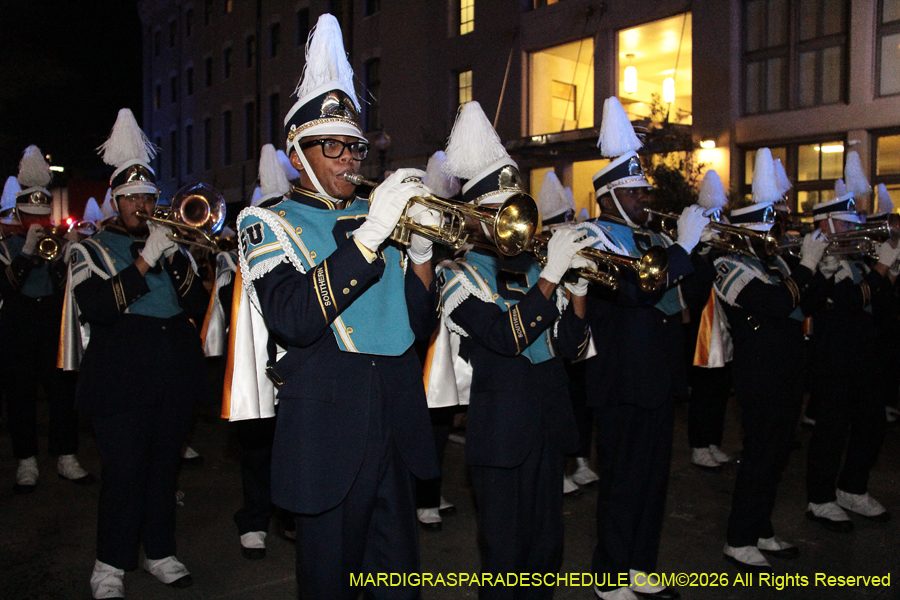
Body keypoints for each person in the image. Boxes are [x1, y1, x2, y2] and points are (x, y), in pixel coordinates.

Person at [230, 14, 438, 599]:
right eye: (334, 147)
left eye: (355, 146)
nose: (351, 158)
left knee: (398, 587)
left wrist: (420, 252)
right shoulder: (266, 220)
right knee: (328, 587)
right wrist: (370, 238)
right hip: (326, 434)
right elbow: (294, 319)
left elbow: (412, 327)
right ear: (299, 152)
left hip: (395, 422)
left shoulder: (379, 213)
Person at [436, 101, 588, 599]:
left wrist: (579, 291)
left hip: (547, 421)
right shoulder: (456, 274)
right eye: (502, 214)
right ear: (478, 217)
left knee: (546, 548)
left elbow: (571, 346)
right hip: (500, 431)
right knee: (503, 558)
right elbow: (504, 337)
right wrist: (550, 280)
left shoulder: (538, 267)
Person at [68, 108, 209, 599]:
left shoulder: (174, 246)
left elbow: (196, 304)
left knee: (163, 468)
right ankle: (110, 564)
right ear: (116, 200)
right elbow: (99, 308)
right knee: (124, 473)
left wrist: (172, 255)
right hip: (120, 374)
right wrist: (147, 256)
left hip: (172, 370)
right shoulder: (91, 248)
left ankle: (161, 551)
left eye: (148, 197)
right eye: (131, 199)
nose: (142, 206)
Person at [584, 97, 707, 600]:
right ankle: (608, 574)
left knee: (654, 481)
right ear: (609, 195)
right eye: (633, 192)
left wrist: (693, 251)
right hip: (619, 382)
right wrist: (679, 251)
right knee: (620, 482)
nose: (642, 199)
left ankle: (639, 564)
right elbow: (635, 293)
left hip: (655, 378)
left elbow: (687, 297)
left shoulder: (649, 239)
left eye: (641, 191)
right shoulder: (596, 238)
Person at [713, 148, 828, 570]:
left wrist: (815, 269)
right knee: (759, 456)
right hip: (758, 374)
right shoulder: (729, 264)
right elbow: (775, 303)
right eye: (766, 228)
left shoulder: (778, 260)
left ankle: (760, 528)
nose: (773, 236)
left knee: (777, 457)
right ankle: (738, 538)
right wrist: (804, 271)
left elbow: (809, 300)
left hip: (787, 369)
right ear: (745, 231)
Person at [804, 151, 900, 531]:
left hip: (866, 357)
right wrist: (881, 269)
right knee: (831, 430)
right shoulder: (822, 261)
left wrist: (889, 272)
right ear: (826, 224)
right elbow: (849, 302)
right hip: (834, 360)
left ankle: (852, 487)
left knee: (870, 426)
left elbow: (879, 301)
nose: (853, 229)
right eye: (846, 224)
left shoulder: (857, 259)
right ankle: (820, 498)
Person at [217, 144, 296, 558]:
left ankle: (288, 514)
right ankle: (254, 518)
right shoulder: (241, 255)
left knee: (294, 445)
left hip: (295, 359)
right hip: (261, 361)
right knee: (257, 446)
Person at [0, 145, 94, 493]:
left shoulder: (52, 241)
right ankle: (26, 460)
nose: (37, 222)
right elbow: (7, 287)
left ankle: (66, 455)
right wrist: (25, 252)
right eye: (30, 215)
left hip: (51, 320)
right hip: (17, 323)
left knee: (62, 391)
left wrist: (67, 253)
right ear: (20, 215)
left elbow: (66, 287)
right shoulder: (6, 245)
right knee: (20, 394)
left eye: (41, 215)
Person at [685, 169, 734, 470]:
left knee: (720, 387)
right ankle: (698, 444)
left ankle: (713, 440)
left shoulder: (723, 239)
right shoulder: (694, 245)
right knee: (702, 389)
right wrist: (701, 251)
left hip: (724, 321)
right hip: (702, 325)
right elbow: (693, 289)